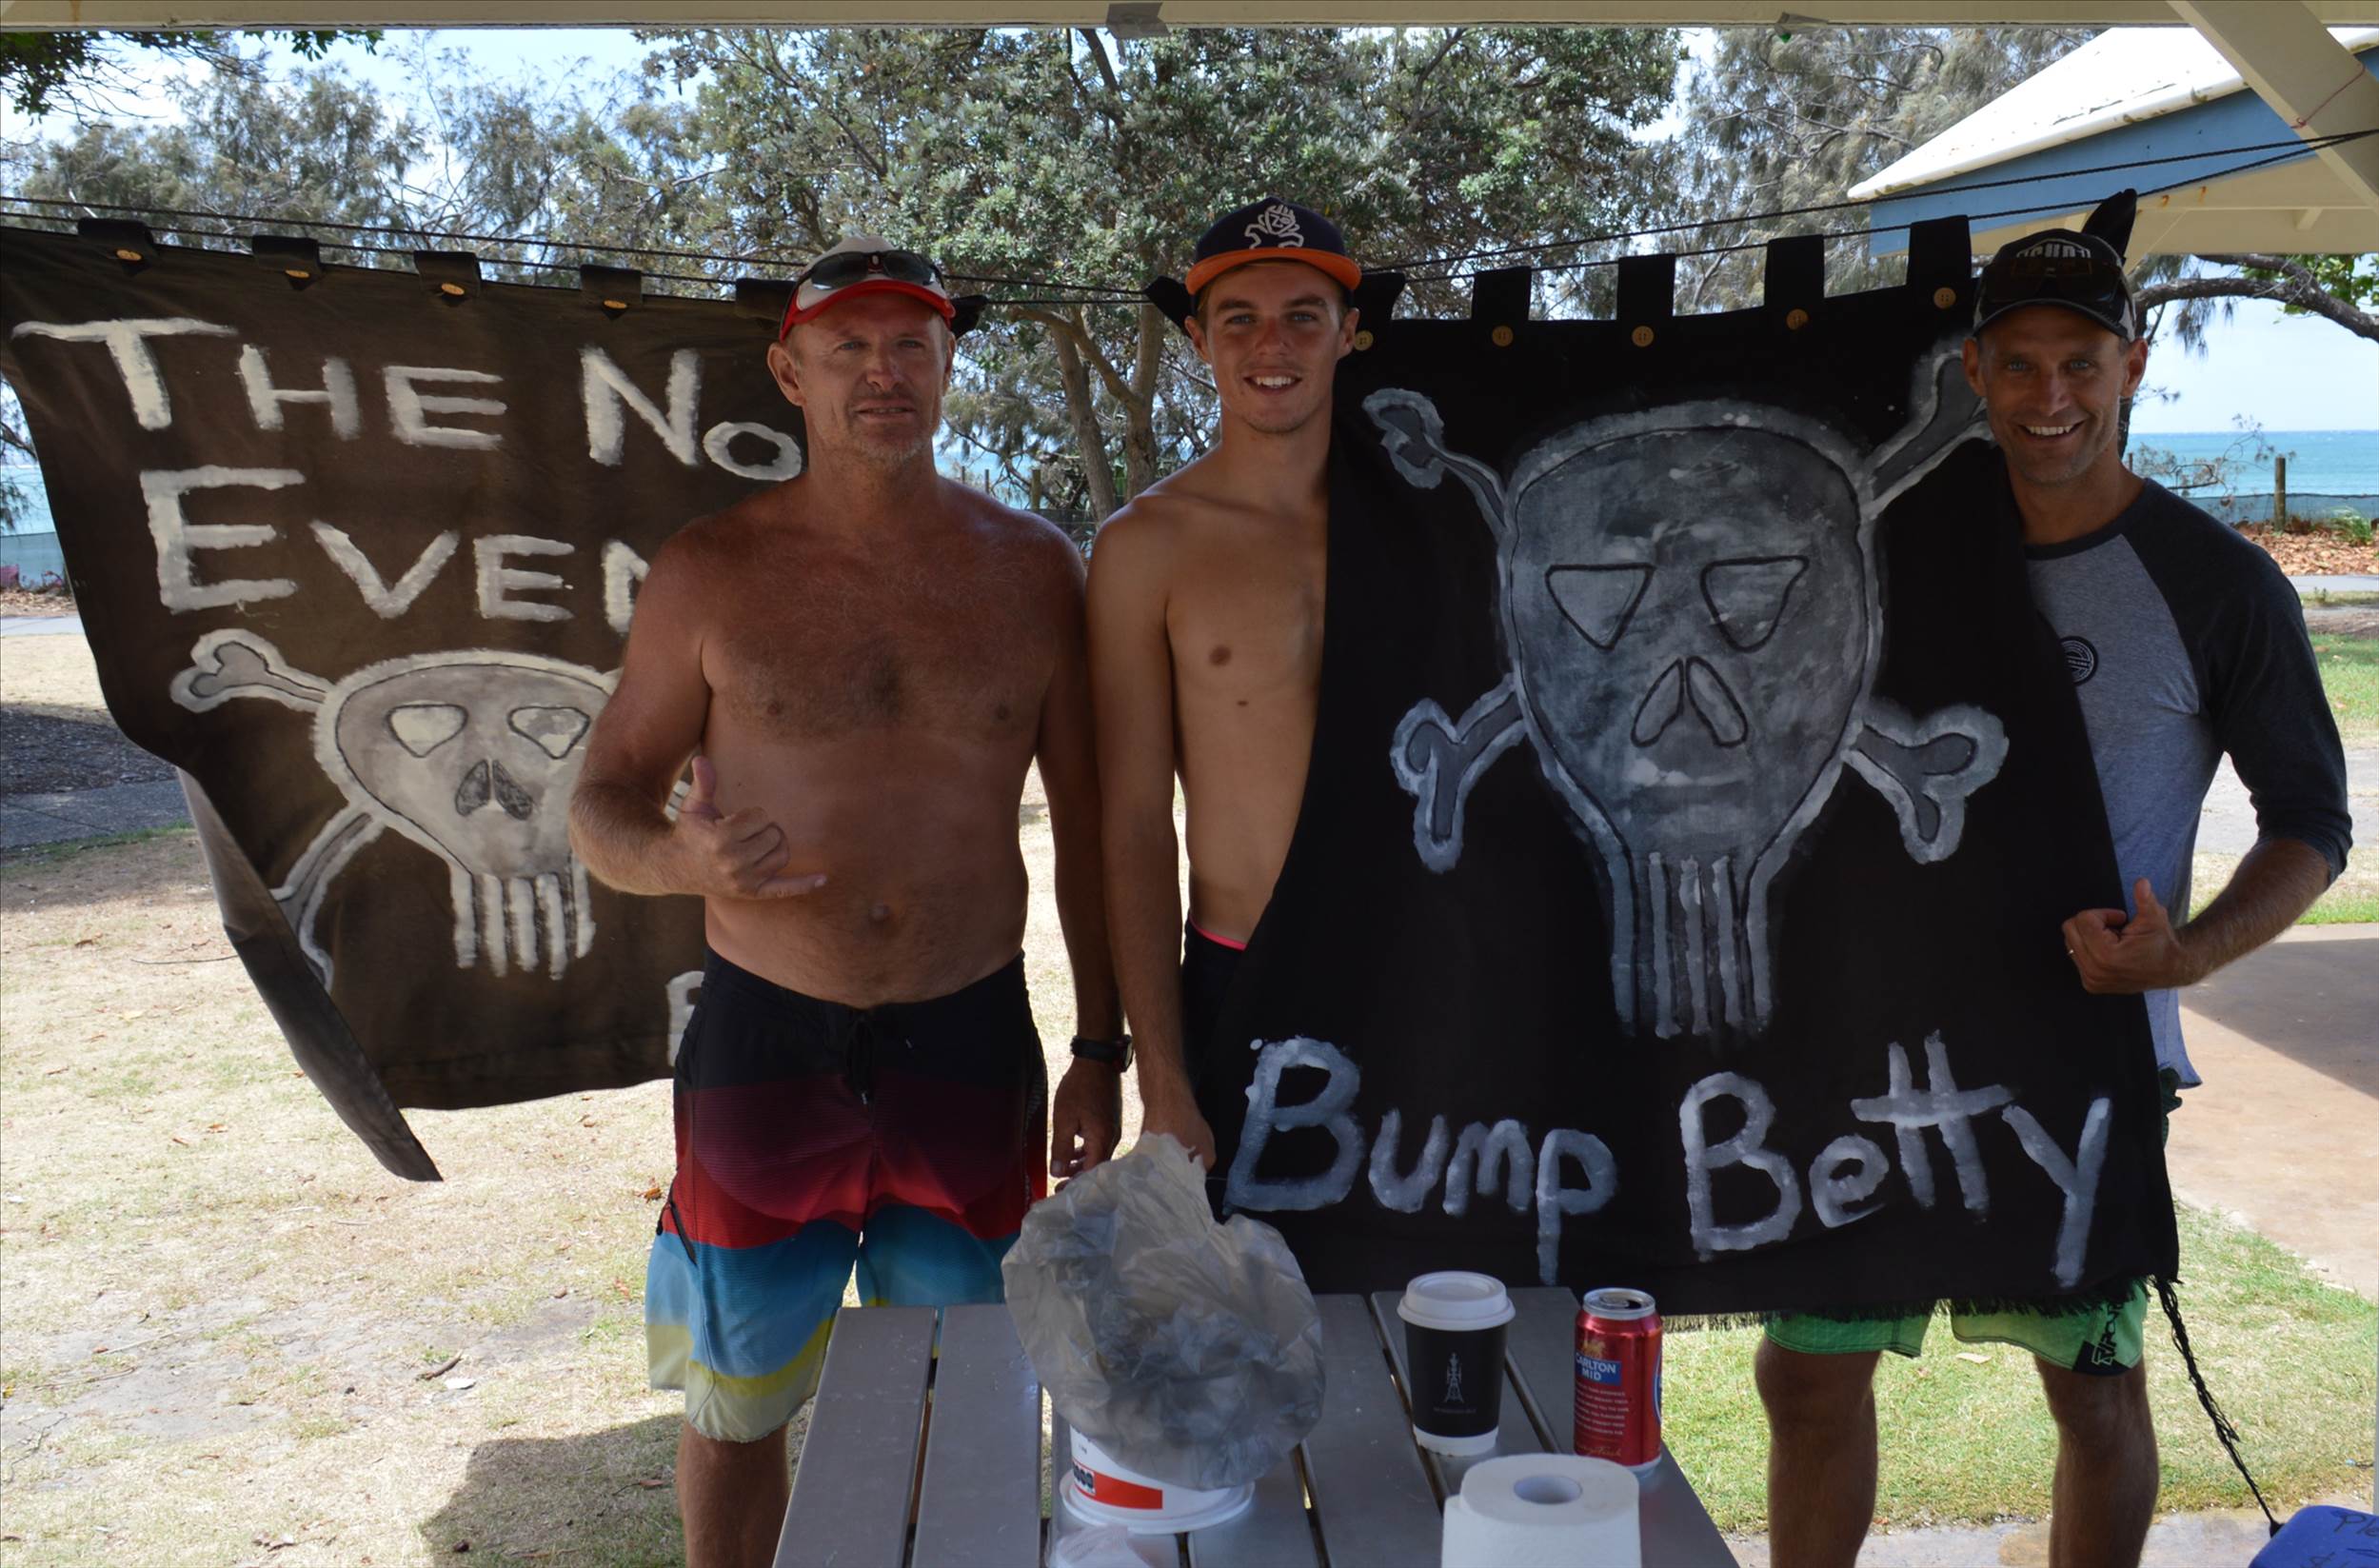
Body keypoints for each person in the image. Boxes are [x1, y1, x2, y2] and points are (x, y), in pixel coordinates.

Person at [1754, 214, 2353, 1568]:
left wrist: (2189, 955)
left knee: (2089, 1389)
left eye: (2079, 362)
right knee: (1807, 1374)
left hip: (2079, 1056)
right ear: (1972, 372)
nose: (2049, 395)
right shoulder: (1888, 554)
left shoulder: (2216, 584)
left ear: (2132, 366)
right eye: (2017, 363)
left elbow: (2312, 821)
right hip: (1863, 1048)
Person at [567, 236, 1127, 1568]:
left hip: (969, 1036)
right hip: (767, 1035)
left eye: (911, 346)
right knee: (738, 1392)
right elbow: (602, 801)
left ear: (947, 364)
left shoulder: (1033, 569)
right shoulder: (712, 569)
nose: (884, 373)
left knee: (969, 1377)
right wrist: (685, 863)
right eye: (849, 348)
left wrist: (1100, 1046)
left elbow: (1094, 831)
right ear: (790, 371)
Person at [1085, 197, 1364, 1170]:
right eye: (1239, 319)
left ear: (1349, 334)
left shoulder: (1427, 523)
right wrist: (1161, 1074)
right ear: (1199, 339)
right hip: (1238, 977)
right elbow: (1132, 820)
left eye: (1303, 316)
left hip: (1416, 966)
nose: (1270, 345)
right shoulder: (1145, 547)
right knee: (1237, 1268)